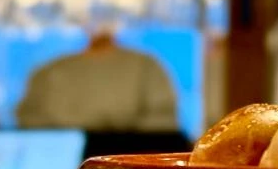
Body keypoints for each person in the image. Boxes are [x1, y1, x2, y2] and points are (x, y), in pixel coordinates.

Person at [16, 28, 178, 132]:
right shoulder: (49, 71)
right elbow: (29, 120)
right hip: (62, 163)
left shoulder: (146, 67)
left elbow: (162, 122)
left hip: (131, 163)